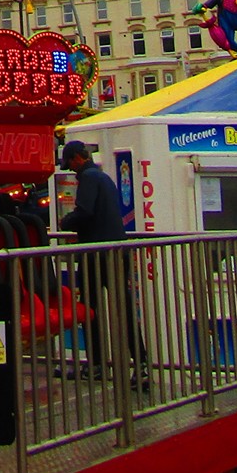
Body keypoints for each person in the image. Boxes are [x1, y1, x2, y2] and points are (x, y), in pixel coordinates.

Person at [61, 141, 136, 377]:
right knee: (123, 309)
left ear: (77, 157)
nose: (71, 170)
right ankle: (140, 363)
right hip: (117, 250)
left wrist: (66, 222)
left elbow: (85, 212)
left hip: (96, 252)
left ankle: (96, 363)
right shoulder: (104, 177)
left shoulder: (88, 178)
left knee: (90, 309)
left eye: (70, 164)